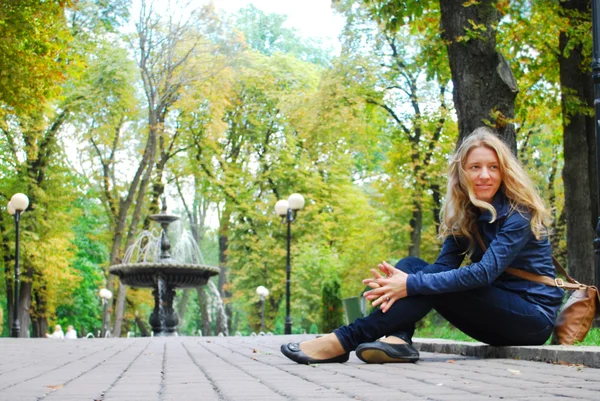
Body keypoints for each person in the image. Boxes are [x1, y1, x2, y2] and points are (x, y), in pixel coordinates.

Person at [281, 127, 564, 364]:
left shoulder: (519, 213)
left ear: (504, 172)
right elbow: (442, 267)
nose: (484, 176)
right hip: (495, 309)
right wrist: (406, 281)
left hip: (531, 318)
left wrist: (411, 285)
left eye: (493, 167)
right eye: (475, 167)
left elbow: (484, 274)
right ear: (462, 173)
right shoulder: (467, 213)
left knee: (416, 279)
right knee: (411, 268)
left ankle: (343, 340)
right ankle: (399, 341)